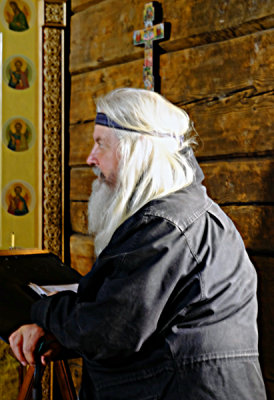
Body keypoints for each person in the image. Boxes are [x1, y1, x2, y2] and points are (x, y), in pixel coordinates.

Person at [9, 88, 267, 399]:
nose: (90, 158)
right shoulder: (182, 213)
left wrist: (40, 310)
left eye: (100, 143)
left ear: (138, 151)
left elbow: (108, 331)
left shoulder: (165, 226)